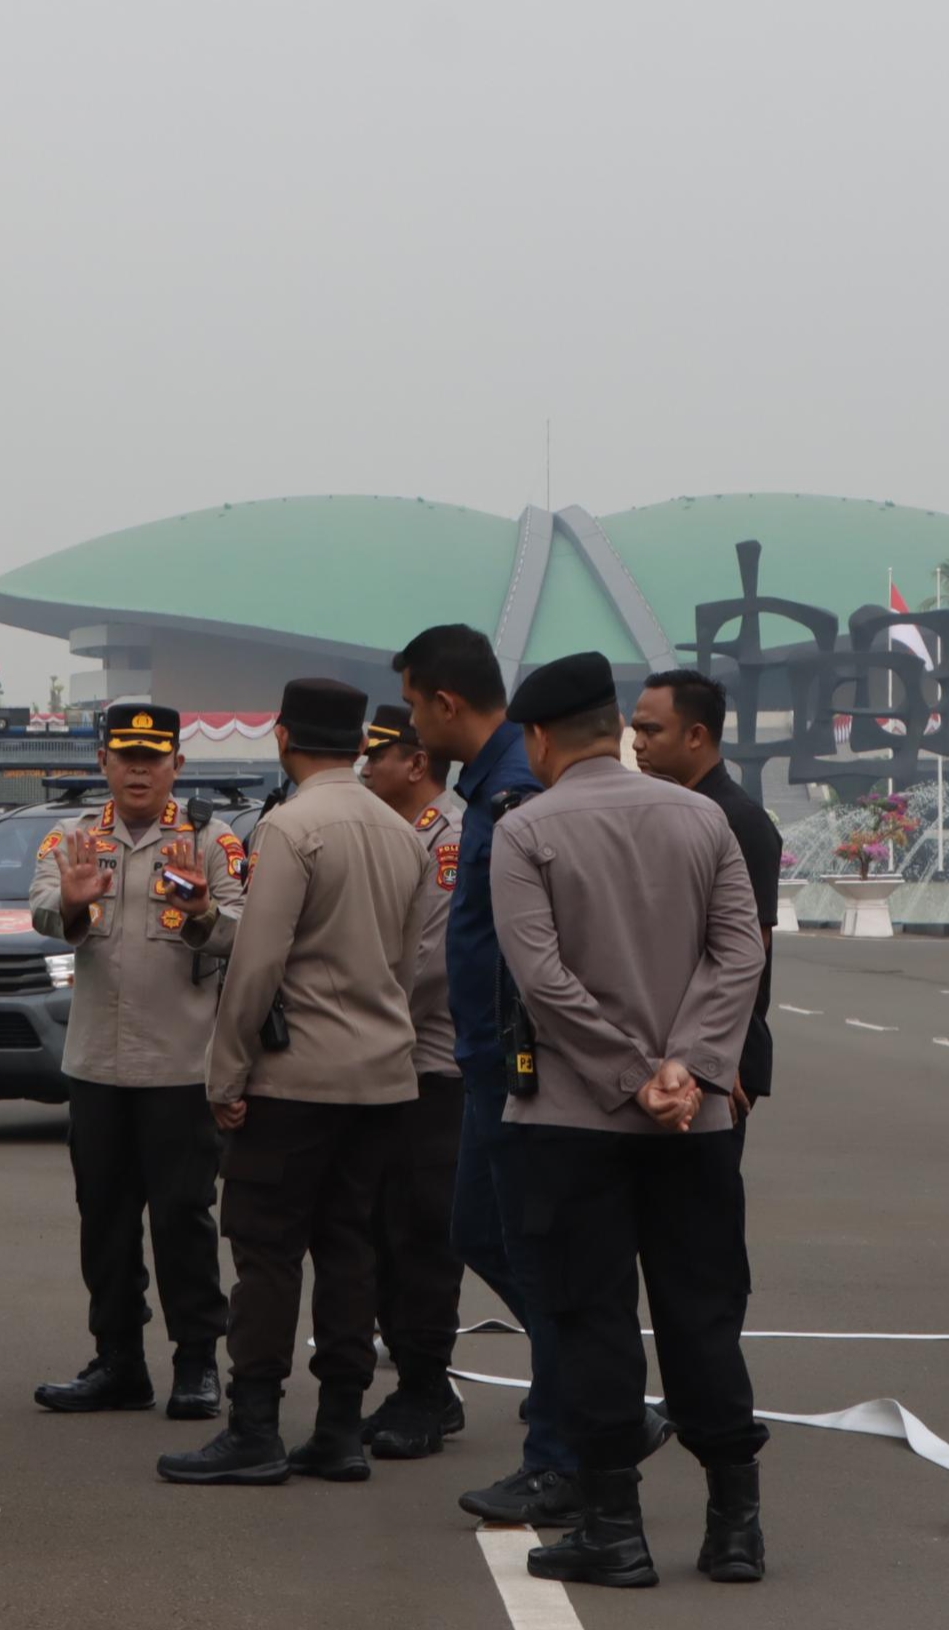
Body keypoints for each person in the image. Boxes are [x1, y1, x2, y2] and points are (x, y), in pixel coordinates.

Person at [489, 651, 769, 1589]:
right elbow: (739, 954)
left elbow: (541, 980)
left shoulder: (524, 830)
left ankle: (615, 1529)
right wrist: (684, 1067)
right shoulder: (704, 818)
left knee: (589, 1316)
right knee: (702, 1310)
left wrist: (626, 1075)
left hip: (571, 1120)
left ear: (536, 737)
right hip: (696, 1122)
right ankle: (735, 1523)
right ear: (613, 725)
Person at [159, 679, 429, 1488]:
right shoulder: (401, 831)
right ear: (357, 742)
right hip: (380, 1074)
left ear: (283, 736)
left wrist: (225, 1071)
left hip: (294, 1076)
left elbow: (256, 964)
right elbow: (406, 964)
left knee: (267, 1251)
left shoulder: (290, 826)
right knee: (349, 1249)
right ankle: (340, 1426)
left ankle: (254, 1426)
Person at [393, 623, 581, 1526]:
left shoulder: (510, 794)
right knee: (481, 1231)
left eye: (409, 704)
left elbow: (528, 951)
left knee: (526, 1247)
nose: (406, 724)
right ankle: (597, 1398)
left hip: (515, 1066)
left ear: (445, 703)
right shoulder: (492, 786)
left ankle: (569, 1437)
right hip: (484, 1061)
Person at [27, 701, 244, 1420]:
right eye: (125, 756)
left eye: (153, 758)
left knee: (183, 1220)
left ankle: (195, 1363)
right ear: (103, 764)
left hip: (180, 1068)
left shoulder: (210, 840)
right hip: (95, 1067)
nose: (139, 769)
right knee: (104, 1220)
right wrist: (73, 900)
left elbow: (243, 934)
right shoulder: (71, 837)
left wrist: (203, 910)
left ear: (177, 765)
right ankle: (117, 1360)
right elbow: (42, 917)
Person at [355, 702, 468, 1460]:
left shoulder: (446, 837)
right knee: (387, 1231)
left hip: (429, 1062)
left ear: (416, 761)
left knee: (422, 1233)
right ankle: (420, 1381)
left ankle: (425, 1388)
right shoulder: (401, 834)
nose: (365, 769)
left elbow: (426, 966)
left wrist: (356, 1019)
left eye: (377, 756)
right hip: (393, 1060)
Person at [630, 668, 782, 1148]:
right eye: (635, 729)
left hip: (715, 1059)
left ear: (696, 736)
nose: (637, 744)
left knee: (700, 1210)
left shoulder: (738, 821)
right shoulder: (673, 810)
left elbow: (746, 955)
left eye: (651, 730)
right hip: (674, 1053)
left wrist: (720, 1059)